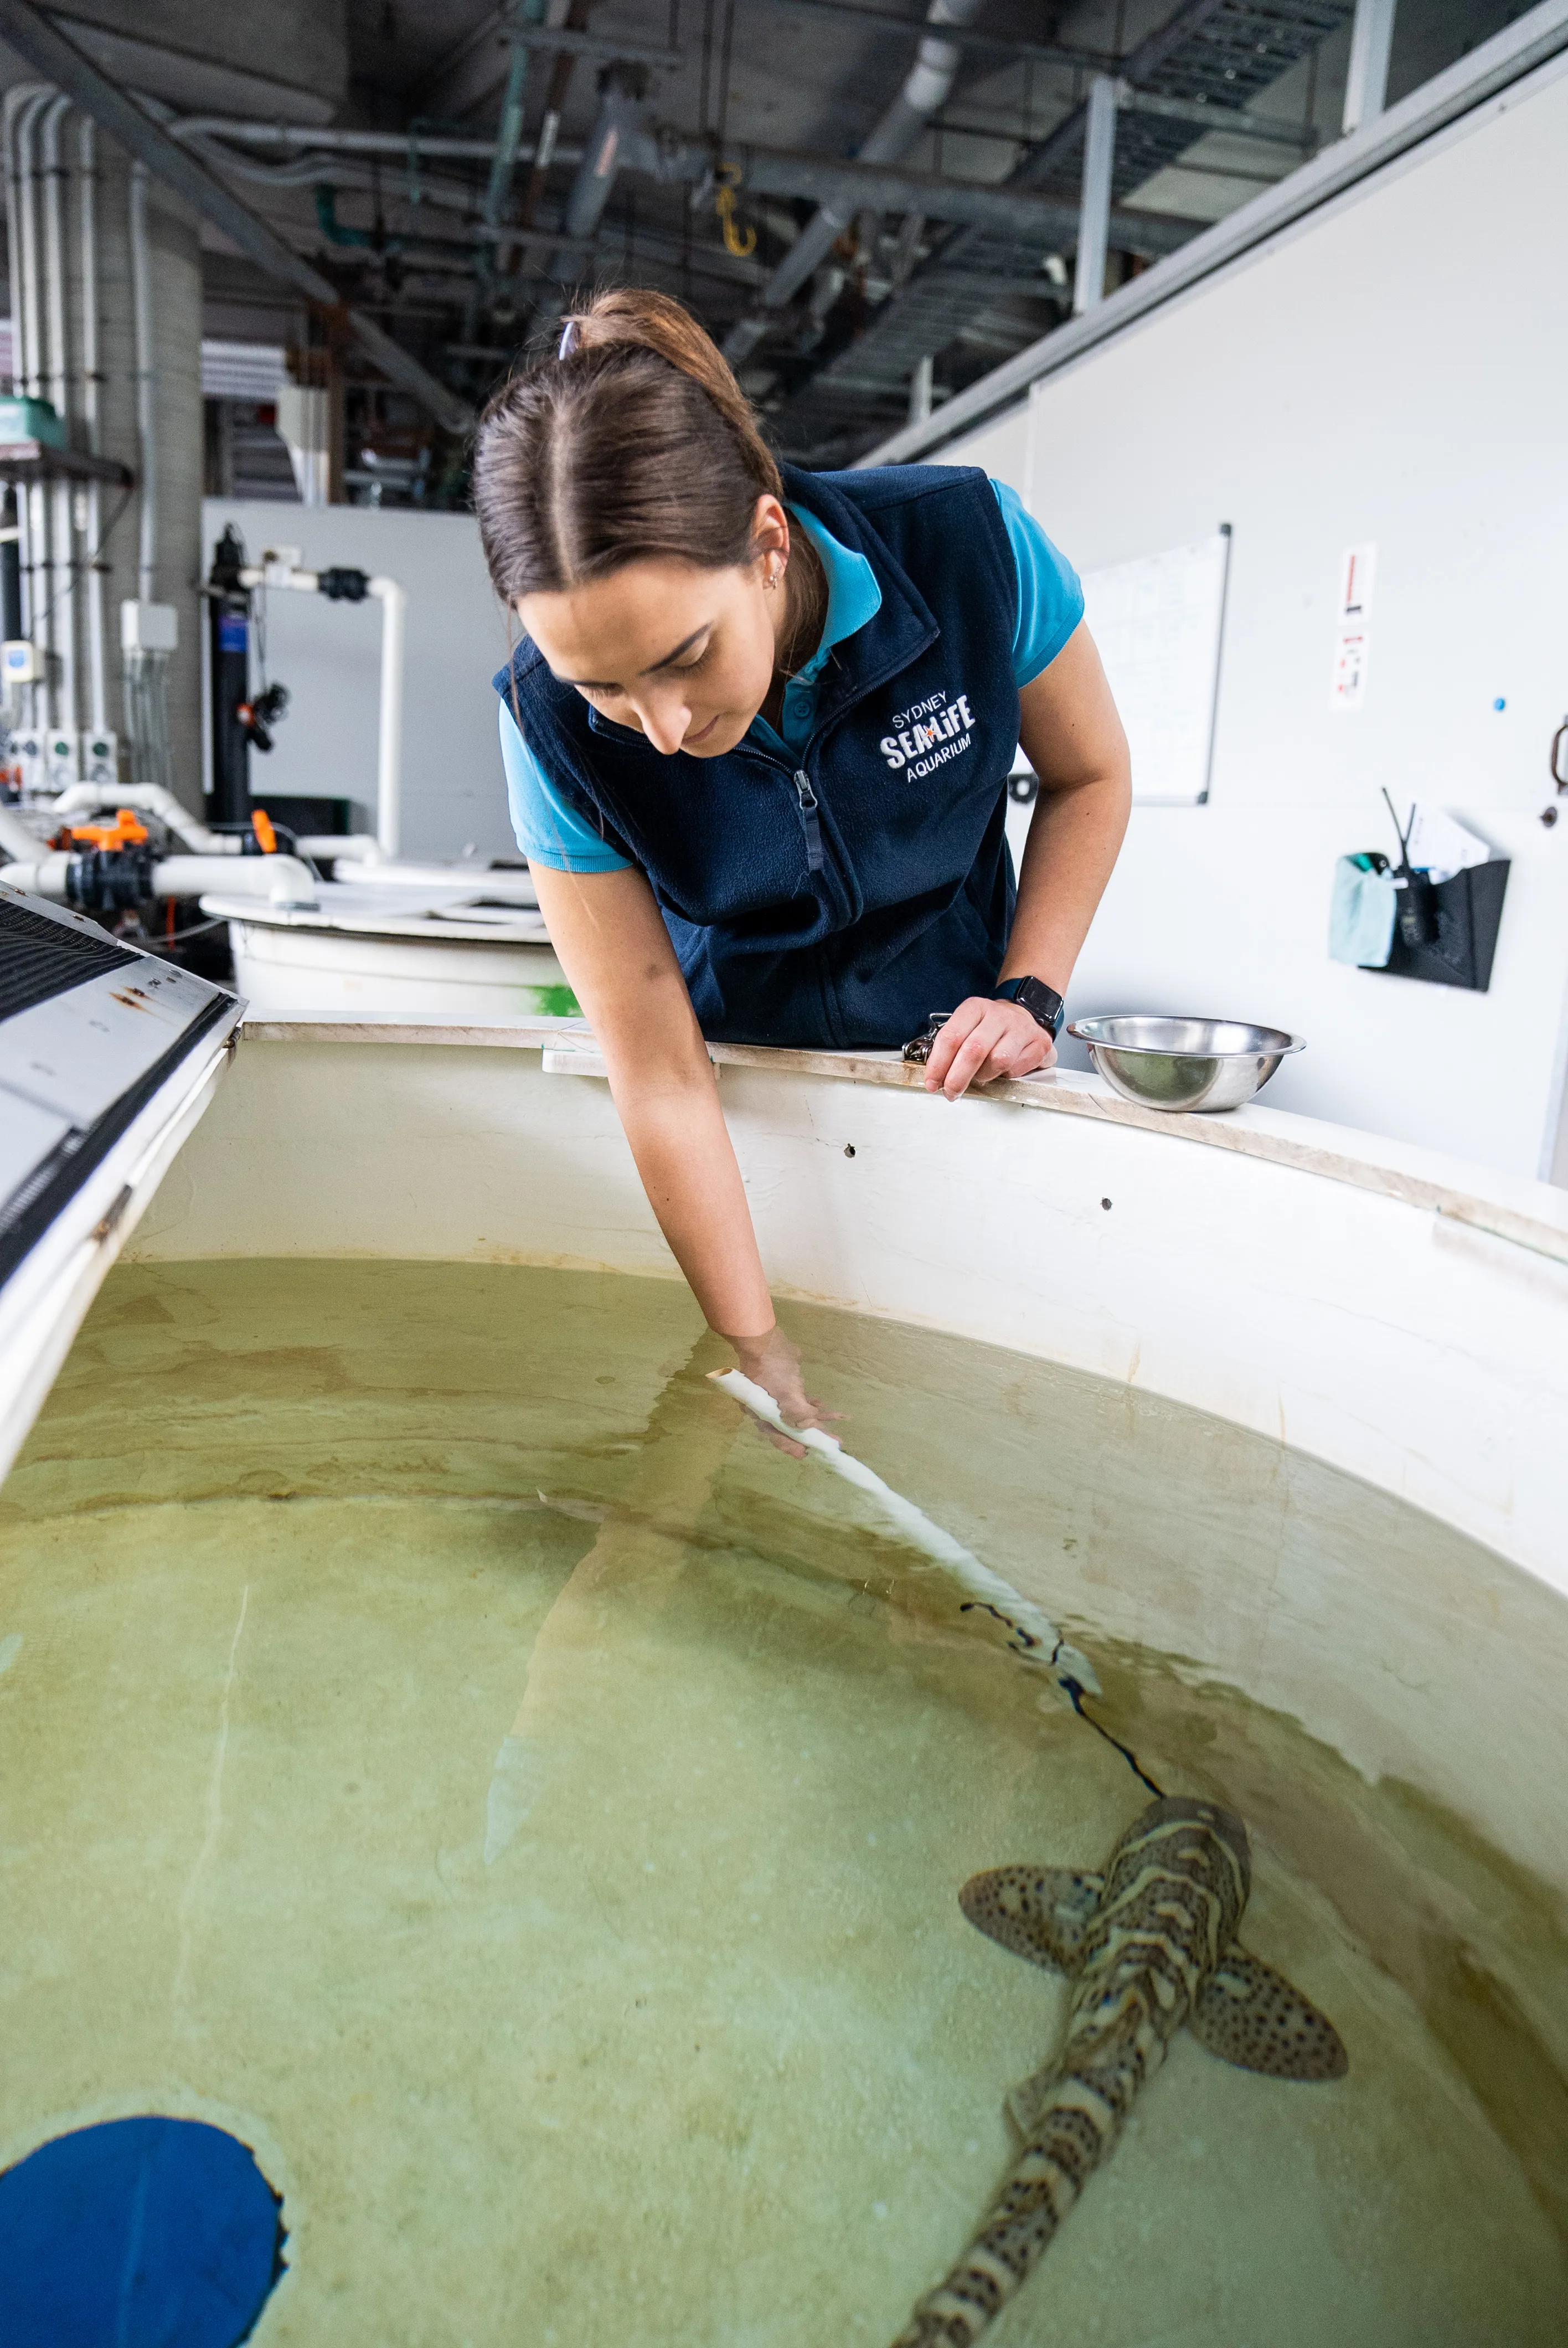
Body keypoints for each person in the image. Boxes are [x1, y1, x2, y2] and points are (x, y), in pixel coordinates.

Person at [473, 290, 1130, 1446]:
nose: (662, 729)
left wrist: (1030, 992)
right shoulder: (540, 723)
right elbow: (658, 1069)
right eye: (604, 689)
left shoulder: (967, 543)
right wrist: (755, 1346)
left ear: (770, 544)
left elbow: (1090, 777)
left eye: (685, 658)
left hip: (958, 1081)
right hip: (740, 1102)